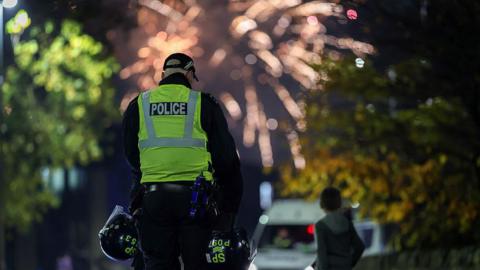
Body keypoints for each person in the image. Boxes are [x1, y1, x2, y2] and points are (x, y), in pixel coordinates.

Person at [122, 53, 244, 270]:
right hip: (196, 201)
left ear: (163, 75)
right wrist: (229, 210)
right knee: (197, 264)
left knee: (158, 264)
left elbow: (132, 157)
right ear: (189, 74)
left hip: (154, 199)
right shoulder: (203, 104)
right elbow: (226, 161)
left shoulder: (139, 105)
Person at [315, 187, 364, 270]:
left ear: (322, 203)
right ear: (339, 202)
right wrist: (349, 263)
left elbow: (322, 254)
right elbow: (360, 246)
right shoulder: (347, 224)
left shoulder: (321, 225)